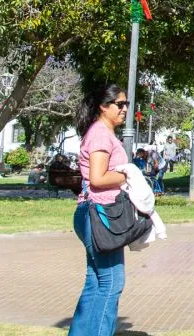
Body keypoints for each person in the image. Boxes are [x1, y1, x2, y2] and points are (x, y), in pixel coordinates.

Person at [69, 83, 130, 336]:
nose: (125, 109)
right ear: (103, 107)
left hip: (92, 212)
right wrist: (128, 175)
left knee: (96, 281)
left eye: (126, 104)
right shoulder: (101, 134)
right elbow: (97, 178)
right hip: (100, 214)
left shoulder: (101, 132)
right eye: (120, 104)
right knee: (112, 282)